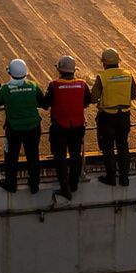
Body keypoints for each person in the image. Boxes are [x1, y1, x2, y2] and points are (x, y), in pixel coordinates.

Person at [38, 54, 92, 199]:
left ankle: (64, 187)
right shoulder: (82, 84)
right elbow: (87, 101)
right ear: (74, 70)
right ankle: (74, 185)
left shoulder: (54, 85)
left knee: (60, 157)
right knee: (76, 155)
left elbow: (45, 103)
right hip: (77, 126)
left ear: (60, 70)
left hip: (59, 127)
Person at [0, 57, 42, 193]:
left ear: (10, 73)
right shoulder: (33, 85)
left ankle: (11, 185)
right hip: (33, 127)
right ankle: (34, 185)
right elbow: (43, 101)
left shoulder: (6, 89)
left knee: (11, 157)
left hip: (14, 130)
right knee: (33, 156)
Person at [90, 47, 136, 186]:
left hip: (107, 117)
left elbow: (94, 98)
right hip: (124, 115)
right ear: (118, 61)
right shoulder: (128, 74)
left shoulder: (102, 77)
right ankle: (124, 178)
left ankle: (111, 178)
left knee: (108, 147)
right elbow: (134, 94)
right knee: (123, 145)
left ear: (104, 63)